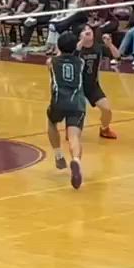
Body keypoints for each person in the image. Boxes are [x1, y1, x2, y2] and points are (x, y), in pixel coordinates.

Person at [46, 32, 87, 189]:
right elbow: (75, 52)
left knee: (52, 122)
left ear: (59, 46)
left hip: (59, 101)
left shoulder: (51, 62)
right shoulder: (81, 62)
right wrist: (81, 41)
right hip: (76, 103)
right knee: (73, 136)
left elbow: (58, 57)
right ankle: (76, 160)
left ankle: (58, 154)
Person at [77, 25, 117, 139]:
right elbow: (71, 55)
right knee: (76, 112)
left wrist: (110, 44)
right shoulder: (77, 48)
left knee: (107, 110)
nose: (87, 31)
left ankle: (104, 129)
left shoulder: (98, 47)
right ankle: (71, 129)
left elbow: (117, 55)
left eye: (89, 29)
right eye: (84, 30)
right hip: (77, 86)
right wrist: (81, 42)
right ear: (79, 36)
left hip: (92, 86)